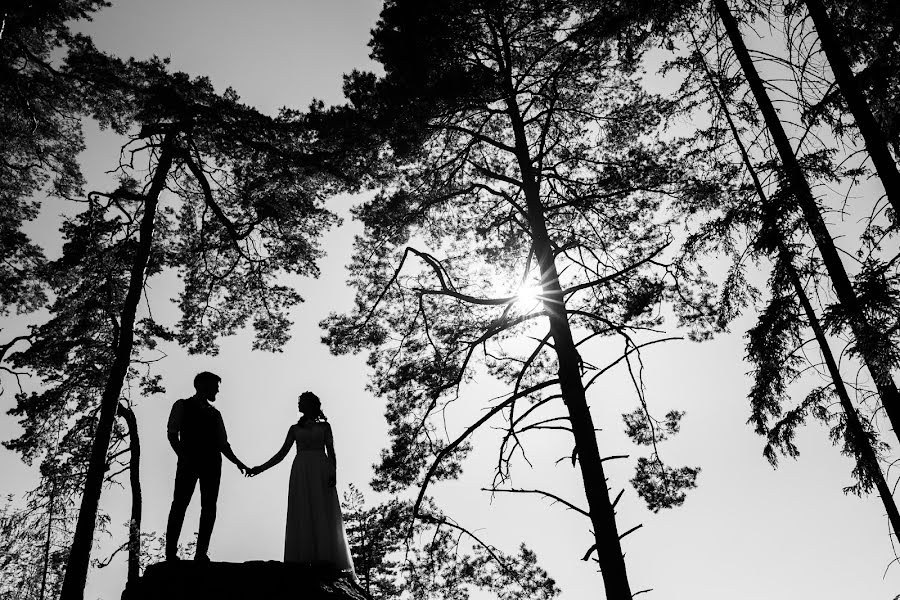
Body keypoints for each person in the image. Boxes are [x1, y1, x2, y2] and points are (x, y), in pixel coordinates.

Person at [249, 391, 354, 573]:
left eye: (302, 402)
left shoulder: (325, 426)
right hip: (301, 471)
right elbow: (281, 454)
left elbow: (331, 451)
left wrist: (333, 472)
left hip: (321, 469)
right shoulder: (295, 429)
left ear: (311, 405)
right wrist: (260, 468)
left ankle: (325, 556)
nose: (299, 405)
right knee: (303, 508)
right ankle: (305, 556)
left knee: (322, 508)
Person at [165, 371, 248, 561]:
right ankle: (170, 554)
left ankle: (201, 553)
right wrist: (183, 456)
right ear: (202, 385)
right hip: (189, 462)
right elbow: (172, 433)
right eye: (215, 386)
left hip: (212, 464)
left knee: (209, 507)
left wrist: (238, 463)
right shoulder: (182, 405)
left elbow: (223, 444)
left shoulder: (215, 414)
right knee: (179, 505)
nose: (217, 391)